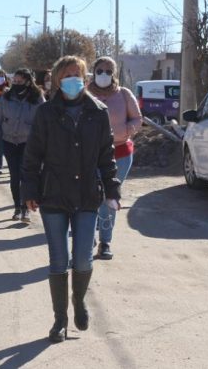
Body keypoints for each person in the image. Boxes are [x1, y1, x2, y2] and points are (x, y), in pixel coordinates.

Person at [21, 55, 121, 343]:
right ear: (56, 80)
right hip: (53, 194)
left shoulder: (98, 112)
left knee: (82, 259)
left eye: (77, 74)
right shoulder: (46, 113)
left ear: (85, 78)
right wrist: (29, 190)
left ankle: (79, 301)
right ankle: (60, 320)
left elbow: (106, 157)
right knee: (58, 260)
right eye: (66, 75)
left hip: (88, 195)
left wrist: (112, 189)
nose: (72, 80)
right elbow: (32, 156)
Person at [87, 56, 141, 260]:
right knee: (91, 196)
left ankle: (105, 242)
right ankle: (88, 236)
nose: (104, 75)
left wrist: (126, 130)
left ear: (115, 74)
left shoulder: (124, 94)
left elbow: (137, 118)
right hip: (90, 154)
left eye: (109, 71)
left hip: (120, 154)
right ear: (94, 71)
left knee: (110, 197)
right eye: (100, 70)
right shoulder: (85, 94)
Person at [0, 68, 45, 222]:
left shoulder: (37, 97)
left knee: (25, 175)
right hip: (9, 142)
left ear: (28, 81)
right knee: (15, 176)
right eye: (15, 81)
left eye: (20, 82)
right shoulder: (6, 97)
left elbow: (45, 120)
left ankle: (26, 208)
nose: (17, 84)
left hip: (29, 143)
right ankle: (17, 208)